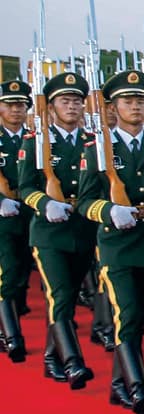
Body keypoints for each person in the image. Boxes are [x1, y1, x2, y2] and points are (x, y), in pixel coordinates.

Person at [75, 69, 144, 414]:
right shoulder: (97, 147)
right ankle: (139, 387)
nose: (136, 107)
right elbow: (84, 202)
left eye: (141, 100)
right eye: (128, 101)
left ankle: (118, 385)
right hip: (117, 245)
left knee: (141, 317)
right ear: (113, 106)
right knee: (126, 316)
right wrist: (110, 211)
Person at [18, 71, 97, 389]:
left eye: (77, 101)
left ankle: (52, 357)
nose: (73, 106)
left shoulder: (92, 142)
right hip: (49, 233)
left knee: (63, 297)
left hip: (81, 230)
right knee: (60, 294)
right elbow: (25, 187)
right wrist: (44, 203)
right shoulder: (35, 142)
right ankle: (75, 362)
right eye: (65, 101)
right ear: (50, 107)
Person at [0, 80, 35, 363]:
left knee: (23, 270)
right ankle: (11, 335)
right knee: (7, 273)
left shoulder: (33, 139)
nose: (15, 110)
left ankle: (15, 311)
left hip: (29, 213)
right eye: (9, 104)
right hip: (2, 217)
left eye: (21, 105)